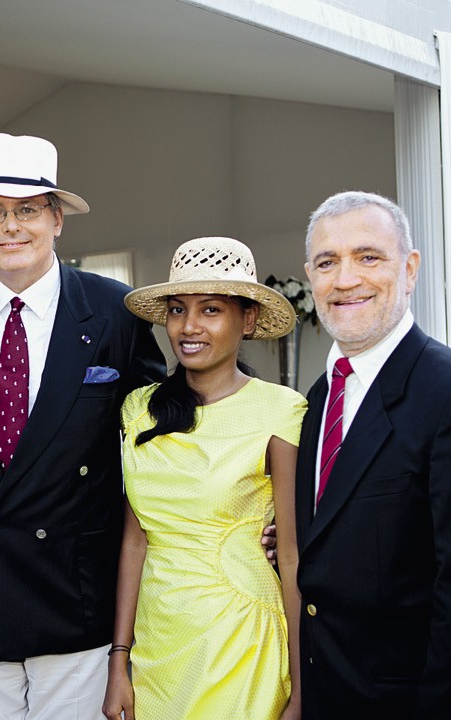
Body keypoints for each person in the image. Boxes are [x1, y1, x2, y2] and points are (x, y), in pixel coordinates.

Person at [0, 132, 167, 718]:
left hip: (78, 597)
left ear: (56, 219)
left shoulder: (116, 313)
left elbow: (159, 437)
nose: (11, 227)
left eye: (27, 210)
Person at [296, 191, 451, 719]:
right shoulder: (318, 399)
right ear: (311, 278)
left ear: (409, 269)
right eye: (327, 263)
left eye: (368, 257)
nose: (345, 279)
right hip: (325, 695)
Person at [102, 237, 306, 720]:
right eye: (177, 310)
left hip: (241, 639)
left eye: (210, 310)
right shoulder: (138, 409)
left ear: (248, 320)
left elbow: (292, 556)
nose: (189, 327)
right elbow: (135, 541)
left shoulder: (281, 410)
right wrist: (118, 661)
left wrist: (301, 689)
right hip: (158, 645)